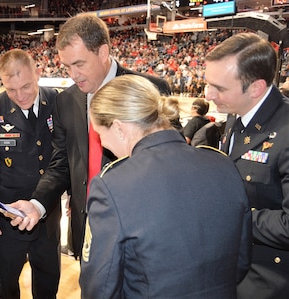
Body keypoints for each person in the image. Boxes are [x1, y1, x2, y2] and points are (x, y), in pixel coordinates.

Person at [9, 13, 171, 259]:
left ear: (103, 52)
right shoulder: (65, 100)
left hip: (139, 229)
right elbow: (62, 162)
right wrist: (37, 203)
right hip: (86, 230)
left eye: (79, 63)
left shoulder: (150, 89)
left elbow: (166, 162)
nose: (73, 74)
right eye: (67, 66)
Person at [79, 74, 251, 298]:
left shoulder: (113, 185)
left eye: (100, 134)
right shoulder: (223, 164)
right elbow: (242, 259)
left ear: (119, 128)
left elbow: (101, 286)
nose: (103, 143)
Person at [0, 49, 61, 299]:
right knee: (6, 284)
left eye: (26, 86)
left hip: (47, 214)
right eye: (11, 89)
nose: (20, 96)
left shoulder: (57, 101)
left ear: (38, 73)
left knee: (48, 280)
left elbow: (65, 155)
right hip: (6, 219)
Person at [205, 32, 289, 299]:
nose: (208, 94)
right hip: (231, 264)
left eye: (219, 88)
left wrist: (233, 216)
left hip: (268, 278)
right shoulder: (236, 114)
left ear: (256, 88)